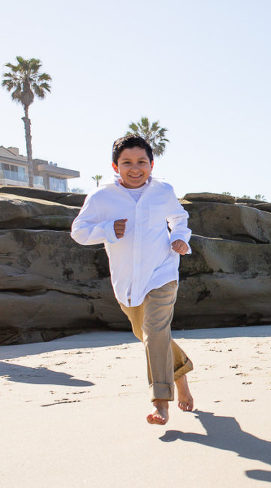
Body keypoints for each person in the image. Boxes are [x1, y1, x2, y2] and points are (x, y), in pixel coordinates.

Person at [71, 135, 194, 425]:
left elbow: (180, 219)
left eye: (141, 162)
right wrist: (107, 229)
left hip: (162, 273)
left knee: (154, 330)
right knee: (149, 335)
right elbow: (79, 231)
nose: (135, 168)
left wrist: (178, 239)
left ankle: (160, 402)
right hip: (127, 282)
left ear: (151, 165)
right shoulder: (102, 197)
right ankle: (182, 371)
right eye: (127, 162)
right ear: (115, 165)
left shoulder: (163, 191)